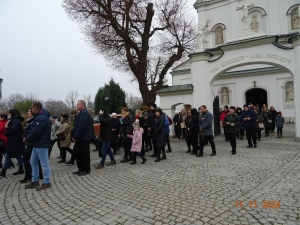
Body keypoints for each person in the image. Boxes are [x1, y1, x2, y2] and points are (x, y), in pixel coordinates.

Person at [24, 102, 52, 191]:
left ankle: (47, 181)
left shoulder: (40, 118)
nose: (31, 110)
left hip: (41, 144)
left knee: (44, 163)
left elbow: (36, 132)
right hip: (37, 144)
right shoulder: (40, 117)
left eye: (31, 108)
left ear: (34, 108)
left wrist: (27, 139)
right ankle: (34, 180)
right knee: (33, 161)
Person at [19, 108, 43, 183]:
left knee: (28, 159)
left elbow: (33, 132)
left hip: (31, 142)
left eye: (29, 111)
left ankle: (29, 175)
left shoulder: (33, 120)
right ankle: (37, 174)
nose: (28, 112)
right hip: (29, 141)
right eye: (28, 111)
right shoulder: (29, 120)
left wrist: (27, 138)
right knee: (33, 159)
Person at [71, 100, 93, 176]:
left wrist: (75, 136)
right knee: (78, 153)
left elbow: (81, 126)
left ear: (82, 105)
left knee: (84, 154)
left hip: (84, 137)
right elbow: (76, 125)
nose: (76, 105)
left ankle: (86, 169)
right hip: (80, 137)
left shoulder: (84, 113)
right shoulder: (80, 113)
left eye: (78, 104)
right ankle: (80, 168)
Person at [0, 109, 24, 177]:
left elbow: (13, 129)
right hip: (16, 139)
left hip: (14, 140)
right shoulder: (16, 120)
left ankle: (4, 171)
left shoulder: (15, 120)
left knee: (8, 155)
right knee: (18, 155)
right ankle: (21, 168)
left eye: (10, 113)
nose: (9, 114)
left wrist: (6, 133)